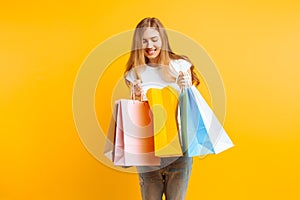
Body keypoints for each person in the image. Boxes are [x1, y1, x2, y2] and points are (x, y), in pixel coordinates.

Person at [124, 17, 200, 200]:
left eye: (154, 39)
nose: (149, 45)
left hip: (179, 152)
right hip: (148, 155)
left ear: (163, 40)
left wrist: (187, 86)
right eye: (144, 41)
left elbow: (192, 108)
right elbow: (138, 118)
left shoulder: (180, 66)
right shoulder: (134, 73)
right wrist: (135, 97)